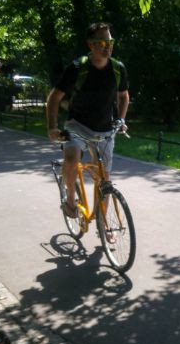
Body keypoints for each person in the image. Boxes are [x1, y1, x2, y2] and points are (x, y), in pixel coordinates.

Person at [45, 22, 130, 220]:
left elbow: (124, 95)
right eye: (101, 42)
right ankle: (70, 202)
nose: (107, 46)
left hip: (105, 130)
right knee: (72, 159)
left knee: (105, 180)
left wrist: (122, 119)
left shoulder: (118, 68)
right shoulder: (77, 68)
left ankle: (103, 225)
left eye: (110, 41)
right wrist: (52, 127)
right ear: (91, 45)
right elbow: (54, 98)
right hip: (77, 127)